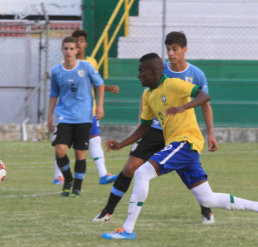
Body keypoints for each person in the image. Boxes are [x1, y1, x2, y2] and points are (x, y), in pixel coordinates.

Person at [101, 53, 258, 240]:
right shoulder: (149, 95)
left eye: (141, 72)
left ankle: (127, 229)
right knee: (207, 199)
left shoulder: (173, 84)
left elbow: (204, 96)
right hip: (181, 148)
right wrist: (121, 144)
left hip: (185, 142)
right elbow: (144, 127)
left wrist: (183, 107)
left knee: (142, 172)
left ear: (153, 73)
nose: (138, 76)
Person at [93, 31, 218, 224]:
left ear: (185, 50)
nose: (171, 53)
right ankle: (107, 211)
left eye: (175, 49)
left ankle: (206, 210)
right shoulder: (158, 70)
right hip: (155, 129)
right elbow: (147, 100)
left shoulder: (196, 74)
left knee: (191, 170)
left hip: (180, 133)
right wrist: (139, 125)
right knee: (130, 168)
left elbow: (205, 103)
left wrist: (211, 133)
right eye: (168, 49)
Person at [53, 29, 118, 185]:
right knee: (62, 145)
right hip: (69, 112)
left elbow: (95, 84)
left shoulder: (91, 62)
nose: (79, 44)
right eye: (76, 41)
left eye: (81, 41)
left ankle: (103, 174)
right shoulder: (63, 67)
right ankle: (59, 176)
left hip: (89, 110)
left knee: (94, 140)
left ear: (85, 44)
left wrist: (108, 90)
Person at [48, 36, 105, 198]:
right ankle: (68, 180)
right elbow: (53, 95)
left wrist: (100, 106)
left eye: (71, 49)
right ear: (62, 50)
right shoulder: (56, 71)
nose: (68, 51)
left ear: (77, 50)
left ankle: (77, 188)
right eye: (65, 48)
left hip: (84, 116)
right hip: (64, 116)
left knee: (80, 153)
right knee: (60, 150)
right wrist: (49, 117)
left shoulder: (86, 67)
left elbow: (99, 84)